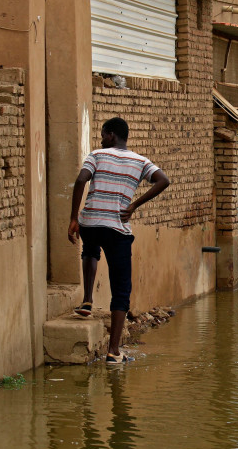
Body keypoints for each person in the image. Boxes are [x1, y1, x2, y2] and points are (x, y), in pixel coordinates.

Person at [68, 117, 170, 364]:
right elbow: (163, 180)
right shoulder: (140, 161)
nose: (101, 140)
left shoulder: (97, 155)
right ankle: (113, 352)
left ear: (111, 135)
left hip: (90, 222)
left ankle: (88, 300)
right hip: (117, 227)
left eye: (103, 135)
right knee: (121, 289)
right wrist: (133, 205)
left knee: (90, 251)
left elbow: (81, 180)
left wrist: (74, 218)